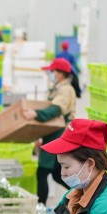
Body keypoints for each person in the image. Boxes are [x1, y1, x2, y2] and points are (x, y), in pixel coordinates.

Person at [28, 58, 79, 205]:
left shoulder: (66, 90)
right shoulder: (56, 88)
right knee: (57, 174)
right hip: (52, 133)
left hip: (61, 134)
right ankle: (82, 197)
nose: (51, 74)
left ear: (61, 73)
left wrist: (36, 114)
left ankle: (41, 207)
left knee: (43, 171)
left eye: (53, 71)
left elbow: (56, 110)